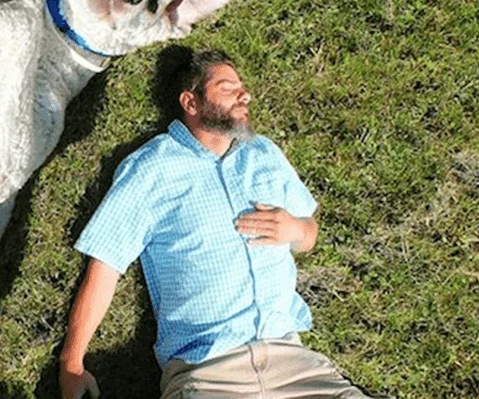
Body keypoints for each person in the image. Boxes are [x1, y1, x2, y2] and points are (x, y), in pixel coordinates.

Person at [59, 50, 371, 399]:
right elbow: (106, 264)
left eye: (242, 87)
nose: (245, 94)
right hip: (208, 371)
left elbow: (309, 233)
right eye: (228, 87)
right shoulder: (151, 169)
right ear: (190, 102)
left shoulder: (263, 153)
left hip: (294, 365)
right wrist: (72, 362)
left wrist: (296, 230)